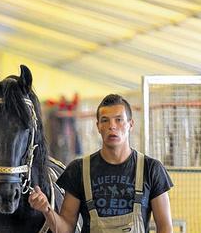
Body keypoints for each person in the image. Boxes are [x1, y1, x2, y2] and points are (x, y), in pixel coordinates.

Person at [29, 94, 173, 233]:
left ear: (131, 124)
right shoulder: (78, 170)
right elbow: (65, 229)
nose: (112, 126)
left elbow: (165, 227)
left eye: (119, 120)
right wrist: (47, 209)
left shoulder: (151, 169)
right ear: (98, 126)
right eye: (105, 120)